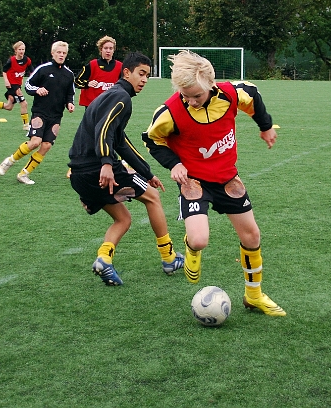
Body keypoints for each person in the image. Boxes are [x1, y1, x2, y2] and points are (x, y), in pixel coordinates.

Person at [143, 50, 286, 317]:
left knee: (252, 235)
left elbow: (253, 96)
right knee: (199, 240)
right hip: (194, 181)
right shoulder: (170, 111)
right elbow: (152, 140)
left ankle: (253, 296)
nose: (192, 101)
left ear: (210, 84)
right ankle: (190, 247)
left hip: (227, 177)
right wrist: (174, 164)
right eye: (186, 96)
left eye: (197, 95)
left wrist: (265, 126)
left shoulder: (232, 94)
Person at [68, 52, 184, 286]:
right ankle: (169, 257)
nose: (144, 80)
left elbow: (120, 141)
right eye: (140, 74)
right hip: (98, 169)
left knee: (123, 219)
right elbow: (104, 130)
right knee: (152, 199)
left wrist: (146, 172)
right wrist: (107, 164)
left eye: (147, 76)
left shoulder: (112, 96)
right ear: (126, 73)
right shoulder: (121, 97)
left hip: (80, 174)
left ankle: (104, 259)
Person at [0, 41, 75, 184]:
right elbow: (28, 85)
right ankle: (10, 160)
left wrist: (70, 103)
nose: (61, 55)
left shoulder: (69, 74)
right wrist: (37, 90)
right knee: (35, 142)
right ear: (53, 53)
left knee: (46, 146)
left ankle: (24, 174)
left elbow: (70, 93)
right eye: (59, 52)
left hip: (56, 115)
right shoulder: (43, 69)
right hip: (40, 112)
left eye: (64, 53)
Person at [67, 35, 124, 178]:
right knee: (90, 137)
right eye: (106, 48)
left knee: (113, 134)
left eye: (111, 48)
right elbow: (77, 81)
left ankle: (119, 162)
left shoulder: (119, 66)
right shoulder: (92, 65)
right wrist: (87, 83)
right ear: (101, 50)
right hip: (92, 108)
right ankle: (75, 166)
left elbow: (124, 84)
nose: (108, 51)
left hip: (110, 107)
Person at [0, 41, 32, 131]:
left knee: (9, 107)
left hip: (18, 85)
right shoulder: (11, 60)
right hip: (12, 86)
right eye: (20, 49)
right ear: (15, 50)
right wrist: (6, 81)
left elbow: (32, 71)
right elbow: (4, 71)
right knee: (24, 103)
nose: (22, 51)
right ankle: (26, 125)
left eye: (23, 49)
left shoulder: (27, 60)